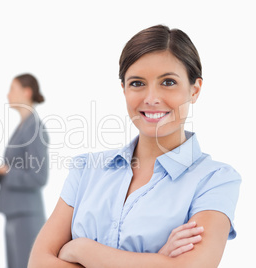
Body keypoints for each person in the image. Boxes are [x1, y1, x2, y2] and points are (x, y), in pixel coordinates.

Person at [28, 25, 241, 268]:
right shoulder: (86, 169)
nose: (151, 98)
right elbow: (38, 262)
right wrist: (157, 260)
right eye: (137, 83)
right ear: (124, 89)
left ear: (195, 89)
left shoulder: (215, 180)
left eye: (168, 82)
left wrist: (80, 249)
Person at [0, 74, 49, 268]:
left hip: (25, 214)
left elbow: (39, 177)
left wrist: (6, 171)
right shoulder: (24, 126)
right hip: (15, 211)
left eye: (12, 88)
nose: (8, 94)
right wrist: (0, 170)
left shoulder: (35, 128)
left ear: (26, 92)